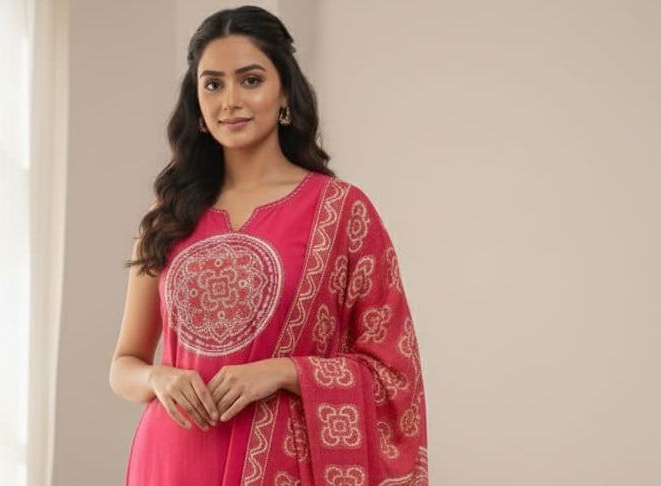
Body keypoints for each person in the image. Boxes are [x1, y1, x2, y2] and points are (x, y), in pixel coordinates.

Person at [109, 5, 428, 485]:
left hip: (285, 465)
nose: (230, 100)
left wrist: (284, 372)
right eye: (213, 84)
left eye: (250, 80)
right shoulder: (169, 217)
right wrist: (159, 377)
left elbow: (393, 374)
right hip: (173, 457)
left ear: (284, 94)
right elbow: (124, 364)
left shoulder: (342, 211)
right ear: (196, 106)